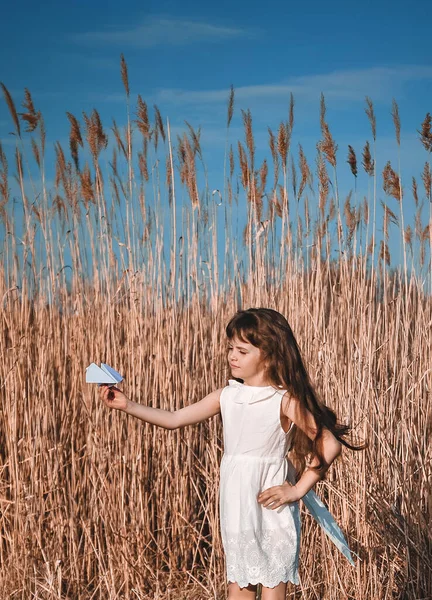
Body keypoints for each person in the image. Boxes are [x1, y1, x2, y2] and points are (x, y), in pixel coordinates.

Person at [99, 308, 359, 600]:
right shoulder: (227, 395)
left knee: (273, 586)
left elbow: (329, 443)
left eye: (242, 351)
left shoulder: (283, 399)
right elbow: (174, 418)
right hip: (236, 504)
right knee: (239, 587)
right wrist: (127, 405)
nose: (232, 356)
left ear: (269, 356)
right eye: (230, 349)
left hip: (271, 504)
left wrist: (297, 490)